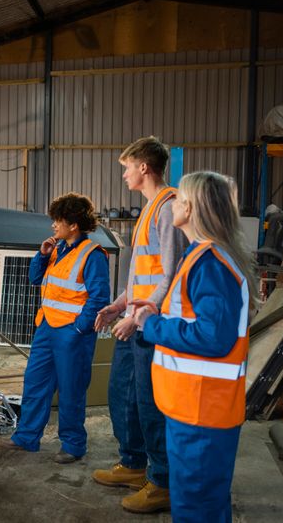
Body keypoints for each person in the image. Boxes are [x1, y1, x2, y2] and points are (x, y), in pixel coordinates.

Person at [131, 172, 256, 522]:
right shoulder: (199, 257)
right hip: (192, 406)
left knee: (196, 508)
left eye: (179, 198)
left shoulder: (210, 263)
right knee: (197, 503)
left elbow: (213, 338)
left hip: (203, 412)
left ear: (192, 207)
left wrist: (151, 324)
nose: (173, 203)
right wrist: (158, 312)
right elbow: (194, 319)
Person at [92, 136, 188, 513]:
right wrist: (119, 305)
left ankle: (162, 481)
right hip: (134, 321)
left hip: (151, 326)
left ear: (144, 167)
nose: (125, 175)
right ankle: (133, 463)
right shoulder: (149, 209)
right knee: (123, 395)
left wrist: (136, 317)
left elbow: (171, 273)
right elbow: (141, 275)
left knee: (150, 403)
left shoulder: (168, 208)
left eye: (127, 168)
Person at [3, 193, 110, 463]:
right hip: (47, 328)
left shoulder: (93, 255)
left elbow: (99, 298)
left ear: (73, 224)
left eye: (57, 221)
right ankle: (27, 437)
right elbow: (35, 278)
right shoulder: (57, 249)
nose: (53, 226)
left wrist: (79, 328)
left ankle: (73, 445)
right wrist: (42, 255)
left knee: (71, 390)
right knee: (35, 383)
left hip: (72, 334)